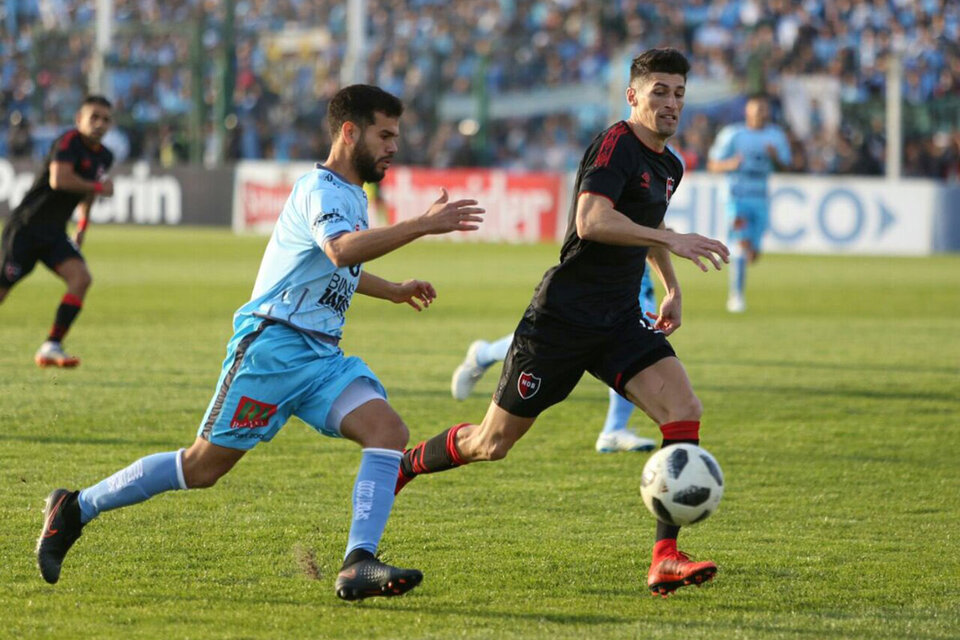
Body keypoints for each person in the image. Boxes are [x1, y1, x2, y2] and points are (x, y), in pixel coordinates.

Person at [35, 85, 485, 601]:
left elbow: (335, 268)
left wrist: (393, 289)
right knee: (200, 468)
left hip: (320, 358)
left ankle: (357, 561)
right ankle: (74, 508)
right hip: (272, 348)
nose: (393, 146)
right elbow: (339, 251)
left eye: (395, 137)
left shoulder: (353, 196)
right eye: (385, 135)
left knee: (387, 430)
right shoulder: (319, 188)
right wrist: (422, 226)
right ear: (349, 132)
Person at [395, 49, 729, 597]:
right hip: (563, 319)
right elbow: (591, 221)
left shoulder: (670, 163)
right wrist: (671, 241)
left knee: (683, 409)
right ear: (633, 96)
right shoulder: (616, 143)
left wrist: (670, 284)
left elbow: (649, 221)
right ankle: (406, 465)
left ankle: (665, 557)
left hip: (619, 318)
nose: (671, 103)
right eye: (660, 91)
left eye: (679, 94)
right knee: (491, 443)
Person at [450, 268, 660, 453]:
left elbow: (649, 231)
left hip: (632, 279)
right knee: (553, 342)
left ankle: (614, 429)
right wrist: (665, 238)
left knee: (627, 342)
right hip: (602, 279)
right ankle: (483, 354)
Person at [0, 95, 115, 367]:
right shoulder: (68, 142)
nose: (99, 124)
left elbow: (87, 192)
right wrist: (100, 188)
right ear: (79, 120)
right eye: (94, 117)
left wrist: (83, 226)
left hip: (54, 233)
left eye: (106, 119)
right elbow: (59, 179)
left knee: (81, 278)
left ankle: (52, 345)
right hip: (27, 228)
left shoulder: (105, 156)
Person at [707, 94, 791, 313]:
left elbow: (787, 167)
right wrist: (731, 164)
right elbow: (713, 165)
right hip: (737, 196)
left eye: (764, 109)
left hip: (760, 197)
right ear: (747, 111)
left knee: (752, 253)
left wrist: (775, 158)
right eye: (756, 109)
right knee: (741, 246)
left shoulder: (776, 136)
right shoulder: (734, 134)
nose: (760, 113)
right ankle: (736, 296)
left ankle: (741, 266)